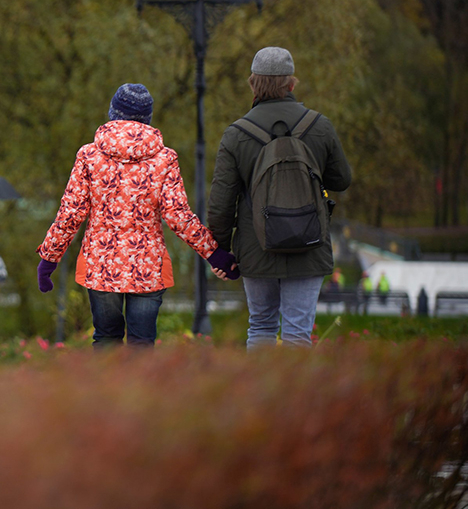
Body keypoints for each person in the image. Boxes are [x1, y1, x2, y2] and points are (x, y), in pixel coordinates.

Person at [35, 83, 235, 347]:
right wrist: (215, 253)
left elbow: (71, 212)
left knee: (106, 340)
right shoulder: (165, 159)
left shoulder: (88, 156)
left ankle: (107, 389)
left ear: (113, 113)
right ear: (147, 119)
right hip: (148, 268)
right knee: (142, 344)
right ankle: (139, 388)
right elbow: (178, 216)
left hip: (101, 266)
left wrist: (49, 258)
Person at [207, 47, 353, 349]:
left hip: (256, 248)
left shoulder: (236, 134)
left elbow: (221, 203)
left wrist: (220, 250)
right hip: (309, 246)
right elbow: (342, 180)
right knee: (298, 332)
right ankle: (294, 396)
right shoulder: (319, 126)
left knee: (260, 325)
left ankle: (261, 396)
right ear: (291, 84)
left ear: (253, 84)